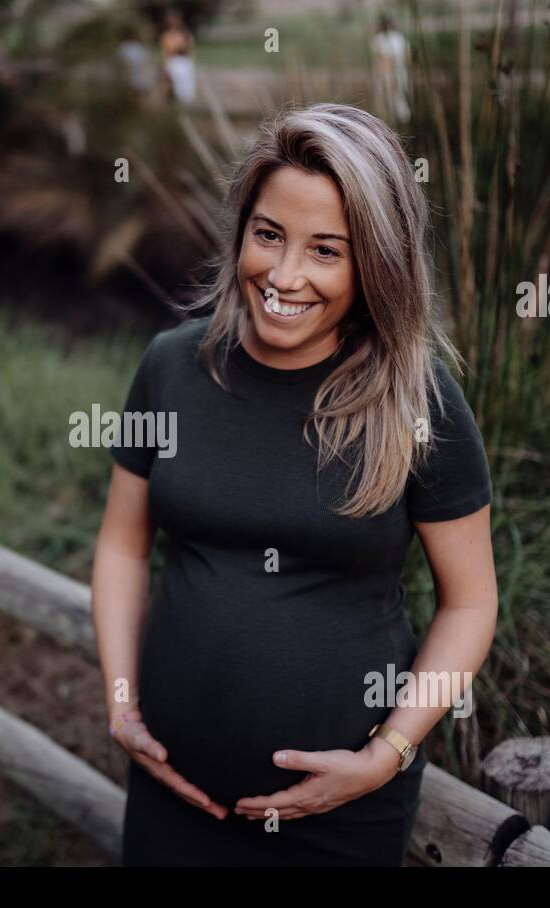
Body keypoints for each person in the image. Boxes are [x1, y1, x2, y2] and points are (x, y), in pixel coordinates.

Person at [91, 103, 497, 866]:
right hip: (169, 790)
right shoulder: (171, 367)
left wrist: (387, 755)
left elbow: (471, 602)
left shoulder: (420, 404)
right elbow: (121, 546)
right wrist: (121, 705)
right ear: (242, 228)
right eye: (269, 235)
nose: (284, 277)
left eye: (326, 251)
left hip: (339, 817)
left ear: (375, 263)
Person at [370, 15, 411, 124]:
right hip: (400, 72)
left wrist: (388, 73)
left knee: (387, 101)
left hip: (387, 74)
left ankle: (388, 123)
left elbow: (382, 60)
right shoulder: (400, 38)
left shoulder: (380, 39)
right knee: (400, 98)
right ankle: (402, 123)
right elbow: (407, 56)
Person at [158, 9, 197, 106]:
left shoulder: (185, 35)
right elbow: (167, 51)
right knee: (171, 88)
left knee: (186, 92)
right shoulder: (167, 36)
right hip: (173, 63)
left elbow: (190, 50)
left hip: (184, 63)